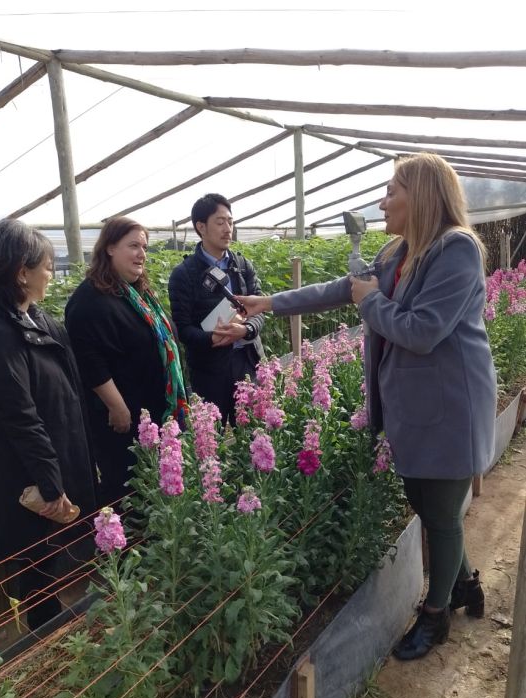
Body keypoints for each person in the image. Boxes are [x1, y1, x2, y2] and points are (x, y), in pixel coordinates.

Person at [236, 153, 496, 661]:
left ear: (419, 196)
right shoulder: (400, 251)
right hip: (414, 404)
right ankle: (464, 585)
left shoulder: (456, 250)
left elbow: (420, 331)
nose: (383, 200)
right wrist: (269, 303)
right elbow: (344, 290)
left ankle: (435, 614)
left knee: (441, 515)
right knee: (427, 504)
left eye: (392, 190)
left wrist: (370, 301)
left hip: (450, 407)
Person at [0, 219, 97, 631]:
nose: (50, 272)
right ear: (20, 271)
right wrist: (51, 484)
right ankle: (48, 644)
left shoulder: (38, 319)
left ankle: (57, 635)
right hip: (28, 481)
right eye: (45, 264)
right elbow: (20, 418)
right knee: (38, 573)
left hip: (55, 461)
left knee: (57, 564)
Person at [65, 216, 187, 507]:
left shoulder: (137, 294)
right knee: (129, 490)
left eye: (144, 246)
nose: (142, 254)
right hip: (124, 422)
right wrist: (116, 406)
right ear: (109, 248)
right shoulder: (89, 300)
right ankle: (127, 547)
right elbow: (89, 360)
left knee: (160, 492)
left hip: (155, 411)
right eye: (133, 245)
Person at [168, 193, 265, 426]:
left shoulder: (241, 266)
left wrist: (246, 330)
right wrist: (213, 337)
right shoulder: (184, 275)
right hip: (210, 370)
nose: (227, 228)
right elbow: (183, 329)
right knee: (212, 439)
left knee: (256, 431)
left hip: (247, 361)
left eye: (230, 222)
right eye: (220, 222)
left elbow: (260, 308)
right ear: (201, 227)